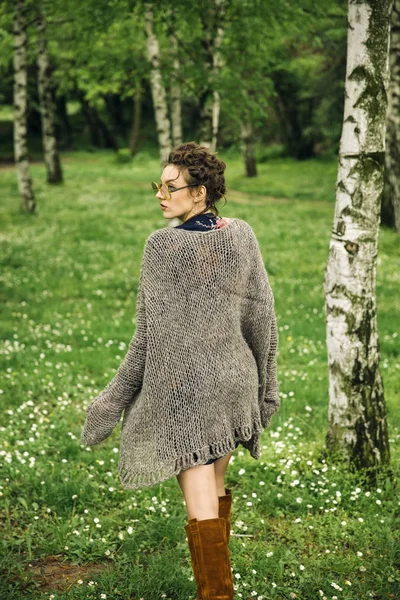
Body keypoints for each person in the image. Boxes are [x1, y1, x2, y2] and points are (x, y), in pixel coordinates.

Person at [81, 141, 280, 599]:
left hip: (188, 397)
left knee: (201, 510)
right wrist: (266, 389)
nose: (160, 194)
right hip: (236, 384)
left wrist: (111, 400)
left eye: (171, 187)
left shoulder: (162, 246)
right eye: (160, 185)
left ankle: (217, 594)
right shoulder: (242, 234)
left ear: (200, 193)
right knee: (214, 485)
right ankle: (219, 585)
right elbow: (262, 318)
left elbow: (147, 339)